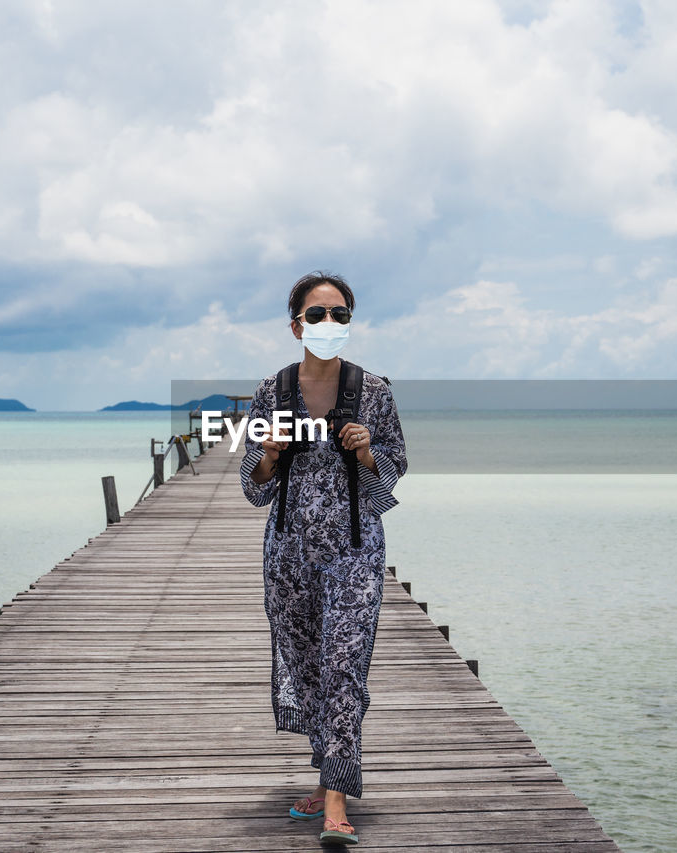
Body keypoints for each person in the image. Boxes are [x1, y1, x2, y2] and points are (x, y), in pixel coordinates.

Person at [239, 270, 407, 845]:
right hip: (288, 551)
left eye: (339, 315)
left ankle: (336, 798)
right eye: (317, 314)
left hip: (355, 550)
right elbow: (253, 484)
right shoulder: (272, 391)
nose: (328, 323)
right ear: (295, 326)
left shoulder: (374, 391)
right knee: (307, 664)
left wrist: (365, 451)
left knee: (343, 664)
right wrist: (267, 453)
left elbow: (396, 463)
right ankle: (324, 769)